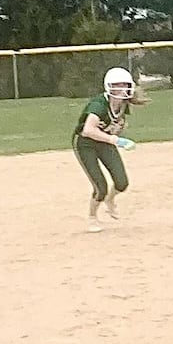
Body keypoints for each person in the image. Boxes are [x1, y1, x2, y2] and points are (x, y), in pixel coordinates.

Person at [72, 67, 147, 233]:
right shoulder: (99, 104)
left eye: (124, 85)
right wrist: (115, 140)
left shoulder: (123, 105)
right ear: (109, 86)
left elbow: (116, 122)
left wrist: (117, 131)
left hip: (104, 141)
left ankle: (110, 200)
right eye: (117, 85)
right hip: (86, 144)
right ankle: (92, 217)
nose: (121, 89)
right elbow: (88, 130)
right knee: (101, 187)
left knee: (122, 182)